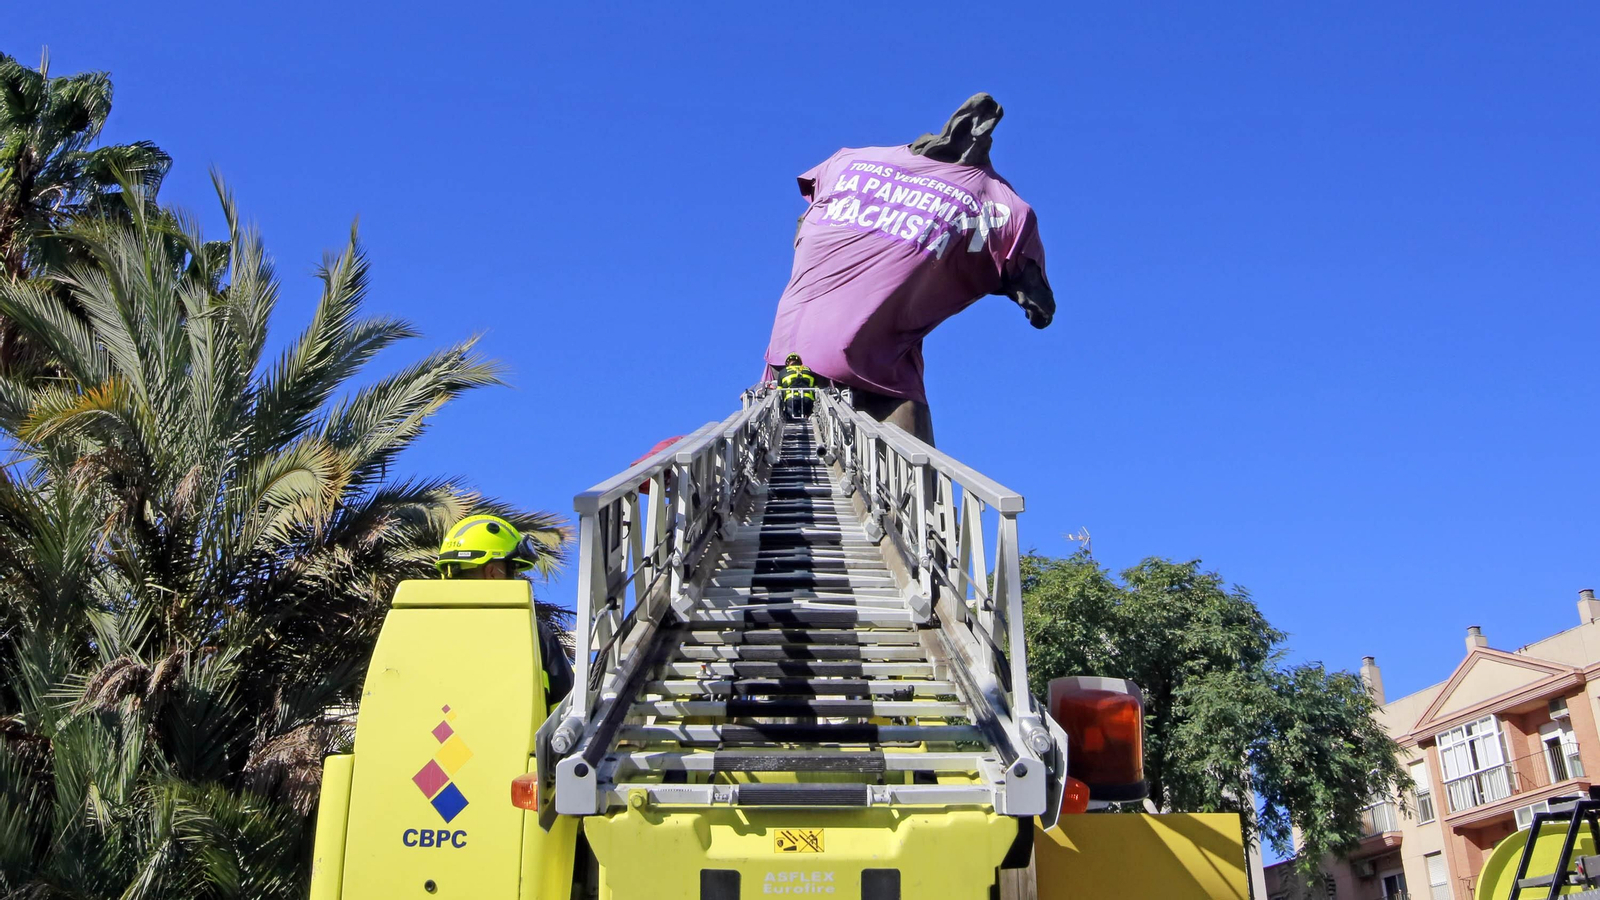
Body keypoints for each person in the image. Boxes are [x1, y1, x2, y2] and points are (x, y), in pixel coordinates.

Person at [763, 93, 1056, 445]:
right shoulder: (1001, 203)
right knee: (912, 476)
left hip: (789, 346)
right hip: (879, 369)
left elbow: (804, 221)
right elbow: (1038, 300)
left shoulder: (849, 161)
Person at [437, 514, 575, 706]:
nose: (515, 580)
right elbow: (567, 712)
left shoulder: (412, 628)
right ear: (492, 573)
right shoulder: (531, 633)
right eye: (512, 572)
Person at [777, 352, 817, 418]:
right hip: (808, 400)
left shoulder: (782, 372)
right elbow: (815, 387)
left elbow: (779, 390)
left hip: (791, 400)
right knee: (807, 414)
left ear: (787, 363)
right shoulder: (808, 370)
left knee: (791, 417)